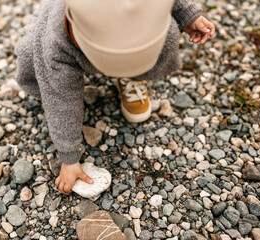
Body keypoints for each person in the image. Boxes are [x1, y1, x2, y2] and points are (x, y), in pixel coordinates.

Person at [15, 0, 215, 195]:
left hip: (133, 28)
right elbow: (60, 99)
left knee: (166, 36)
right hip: (68, 35)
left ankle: (132, 72)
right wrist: (69, 158)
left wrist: (187, 14)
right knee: (35, 57)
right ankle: (120, 66)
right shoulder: (57, 40)